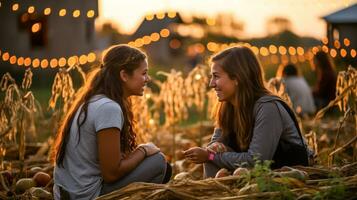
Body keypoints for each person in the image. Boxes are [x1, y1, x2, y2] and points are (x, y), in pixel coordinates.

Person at [53, 44, 171, 199]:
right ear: (124, 75)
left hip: (68, 193)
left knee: (165, 169)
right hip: (87, 196)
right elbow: (111, 173)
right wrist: (143, 150)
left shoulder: (94, 101)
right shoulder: (108, 108)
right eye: (143, 73)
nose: (147, 79)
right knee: (157, 162)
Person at [183, 46, 312, 178]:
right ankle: (211, 192)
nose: (211, 83)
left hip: (283, 175)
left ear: (237, 78)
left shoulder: (268, 108)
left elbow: (256, 161)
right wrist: (214, 149)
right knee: (212, 159)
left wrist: (210, 155)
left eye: (216, 76)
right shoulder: (228, 107)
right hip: (256, 173)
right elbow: (213, 147)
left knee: (212, 158)